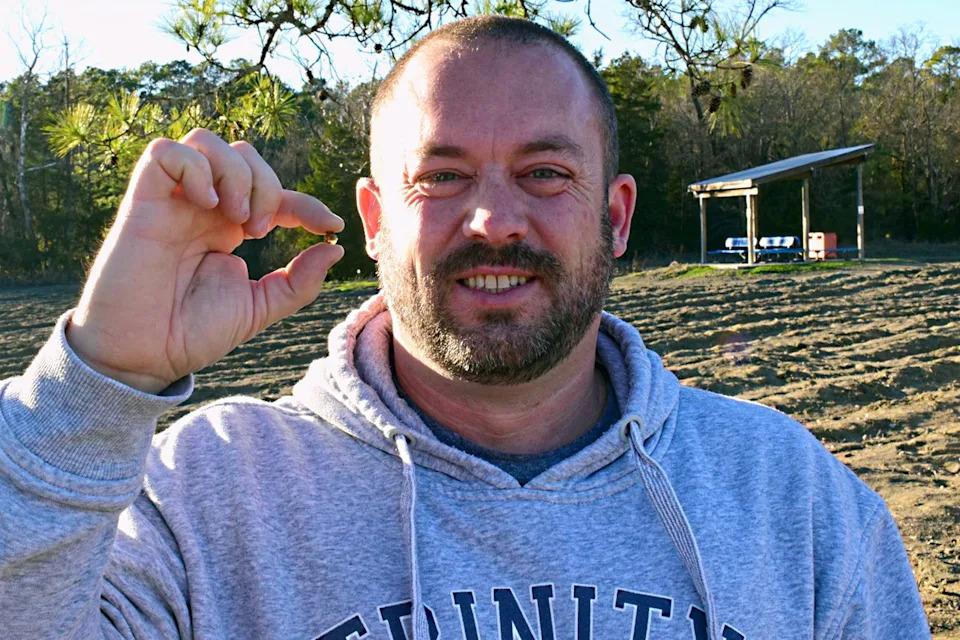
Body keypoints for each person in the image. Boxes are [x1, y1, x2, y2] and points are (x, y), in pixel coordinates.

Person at [0, 15, 929, 640]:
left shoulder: (794, 502)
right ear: (372, 219)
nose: (493, 221)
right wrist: (97, 378)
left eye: (544, 174)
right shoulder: (202, 501)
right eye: (440, 177)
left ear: (616, 215)